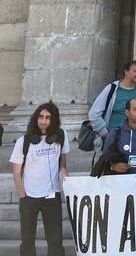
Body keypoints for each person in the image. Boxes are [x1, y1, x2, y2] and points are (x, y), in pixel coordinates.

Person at [10, 102, 69, 256]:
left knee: (55, 240)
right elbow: (16, 172)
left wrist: (63, 168)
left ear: (54, 119)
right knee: (27, 241)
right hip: (29, 196)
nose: (43, 121)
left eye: (48, 117)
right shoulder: (23, 141)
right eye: (40, 117)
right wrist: (22, 196)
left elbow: (63, 156)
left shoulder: (61, 136)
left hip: (52, 195)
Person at [88, 60, 136, 147]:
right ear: (126, 72)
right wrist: (105, 134)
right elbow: (94, 113)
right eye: (135, 71)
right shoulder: (112, 89)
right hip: (114, 140)